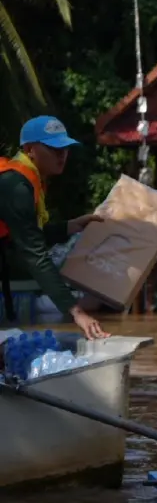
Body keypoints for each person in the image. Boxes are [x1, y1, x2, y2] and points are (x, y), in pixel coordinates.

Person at [0, 117, 107, 338]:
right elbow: (35, 255)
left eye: (65, 148)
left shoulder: (27, 180)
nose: (62, 154)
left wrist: (70, 227)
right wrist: (76, 312)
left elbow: (25, 235)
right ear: (30, 149)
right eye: (53, 148)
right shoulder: (16, 187)